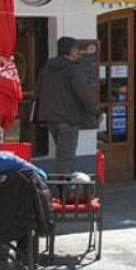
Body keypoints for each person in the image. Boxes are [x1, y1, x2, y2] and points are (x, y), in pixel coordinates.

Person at [36, 37, 98, 175]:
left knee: (63, 154)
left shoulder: (46, 69)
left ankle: (62, 183)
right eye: (76, 49)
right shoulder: (73, 69)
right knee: (66, 157)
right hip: (69, 119)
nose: (77, 52)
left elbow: (38, 91)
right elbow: (83, 93)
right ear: (71, 50)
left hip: (51, 119)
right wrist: (95, 111)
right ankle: (61, 186)